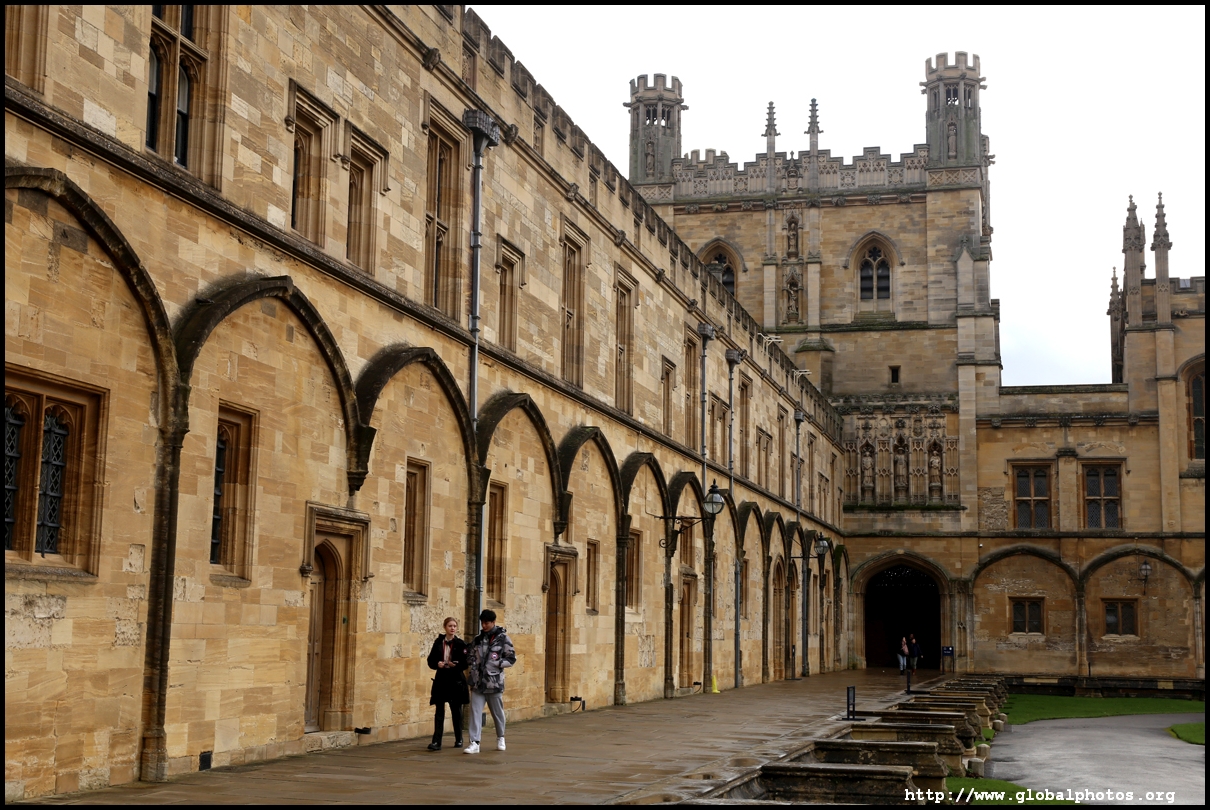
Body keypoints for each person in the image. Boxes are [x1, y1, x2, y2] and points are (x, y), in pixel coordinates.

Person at [465, 608, 516, 754]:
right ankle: (474, 742)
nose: (484, 625)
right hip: (478, 682)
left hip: (494, 682)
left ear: (493, 622)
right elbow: (470, 655)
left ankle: (501, 737)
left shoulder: (503, 638)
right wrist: (472, 662)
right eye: (482, 623)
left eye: (487, 623)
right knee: (475, 712)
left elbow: (511, 659)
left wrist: (498, 663)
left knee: (497, 713)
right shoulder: (478, 639)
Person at [426, 617, 469, 750]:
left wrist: (455, 665)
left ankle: (459, 738)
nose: (452, 628)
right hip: (441, 679)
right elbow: (430, 660)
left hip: (455, 680)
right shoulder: (438, 642)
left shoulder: (461, 644)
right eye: (450, 626)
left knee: (456, 711)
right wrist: (437, 664)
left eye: (454, 626)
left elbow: (466, 663)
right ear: (445, 627)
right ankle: (436, 741)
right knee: (439, 711)